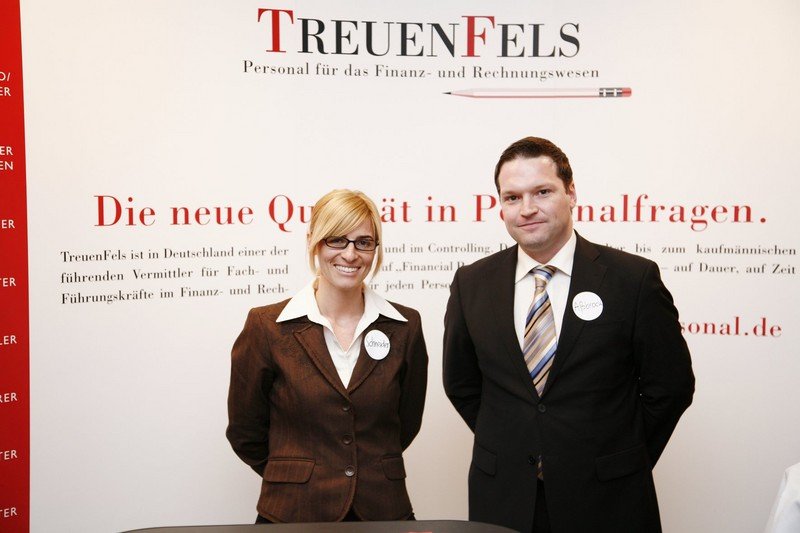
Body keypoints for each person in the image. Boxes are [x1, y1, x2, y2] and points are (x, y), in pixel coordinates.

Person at [442, 137, 695, 533]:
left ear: (571, 193)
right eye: (512, 197)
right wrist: (522, 442)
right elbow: (462, 384)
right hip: (506, 498)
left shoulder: (632, 279)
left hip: (609, 499)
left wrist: (619, 455)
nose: (527, 209)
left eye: (542, 192)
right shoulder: (472, 283)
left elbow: (671, 386)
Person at [227, 189, 428, 523]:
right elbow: (245, 431)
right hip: (293, 513)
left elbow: (405, 423)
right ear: (313, 242)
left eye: (364, 242)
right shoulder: (266, 326)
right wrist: (296, 475)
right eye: (336, 240)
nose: (350, 254)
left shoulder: (405, 326)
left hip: (382, 512)